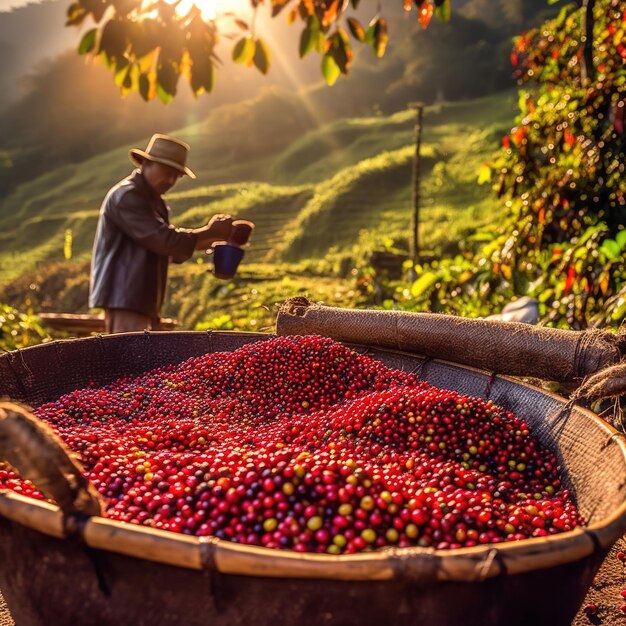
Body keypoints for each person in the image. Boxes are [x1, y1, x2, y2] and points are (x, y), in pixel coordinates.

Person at [89, 133, 234, 333]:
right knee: (128, 358)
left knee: (139, 359)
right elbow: (163, 240)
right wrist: (208, 231)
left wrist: (209, 239)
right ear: (146, 164)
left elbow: (167, 249)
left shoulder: (152, 201)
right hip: (125, 296)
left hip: (139, 298)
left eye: (176, 175)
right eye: (167, 171)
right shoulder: (128, 196)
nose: (171, 180)